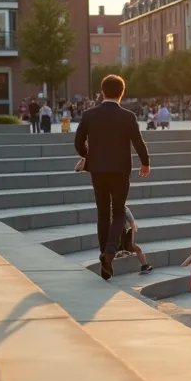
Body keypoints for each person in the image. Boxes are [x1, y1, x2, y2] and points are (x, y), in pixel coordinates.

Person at [75, 75, 151, 280]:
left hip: (98, 170)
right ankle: (109, 253)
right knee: (118, 212)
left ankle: (104, 256)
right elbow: (138, 142)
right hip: (120, 170)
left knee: (102, 213)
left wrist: (87, 155)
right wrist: (145, 162)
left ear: (102, 92)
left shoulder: (90, 115)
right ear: (122, 93)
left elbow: (78, 141)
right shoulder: (128, 116)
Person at [118, 205, 154, 275]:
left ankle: (145, 265)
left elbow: (133, 223)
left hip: (123, 233)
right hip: (120, 233)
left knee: (132, 247)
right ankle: (145, 265)